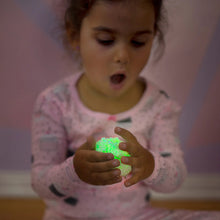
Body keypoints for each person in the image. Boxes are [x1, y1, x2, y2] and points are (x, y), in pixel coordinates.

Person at [31, 0, 189, 219]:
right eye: (106, 40)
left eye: (138, 42)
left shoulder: (160, 106)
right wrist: (74, 170)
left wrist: (151, 165)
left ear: (153, 37)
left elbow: (176, 177)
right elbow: (40, 183)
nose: (122, 56)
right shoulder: (55, 102)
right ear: (75, 35)